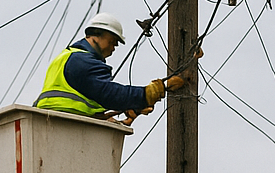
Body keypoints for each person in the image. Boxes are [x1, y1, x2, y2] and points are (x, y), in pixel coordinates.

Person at [34, 12, 179, 119]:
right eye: (112, 41)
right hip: (66, 123)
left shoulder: (66, 56)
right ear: (96, 35)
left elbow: (86, 97)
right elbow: (107, 93)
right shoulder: (82, 62)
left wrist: (128, 106)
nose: (114, 47)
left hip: (53, 120)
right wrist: (146, 94)